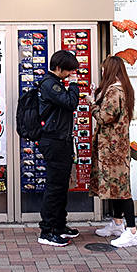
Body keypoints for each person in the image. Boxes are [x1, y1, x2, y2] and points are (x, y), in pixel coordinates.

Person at [89, 56, 137, 248]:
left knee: (122, 190)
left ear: (110, 70)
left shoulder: (114, 90)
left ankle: (132, 232)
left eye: (104, 70)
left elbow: (103, 117)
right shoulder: (124, 88)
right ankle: (118, 224)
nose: (103, 72)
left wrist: (92, 103)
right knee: (116, 187)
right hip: (118, 146)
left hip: (112, 148)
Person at [36, 49, 81, 247]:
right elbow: (70, 103)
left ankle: (60, 226)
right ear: (59, 68)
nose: (71, 74)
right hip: (54, 141)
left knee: (62, 186)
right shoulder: (49, 84)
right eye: (69, 71)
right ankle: (47, 231)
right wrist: (74, 84)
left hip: (61, 141)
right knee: (55, 187)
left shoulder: (55, 84)